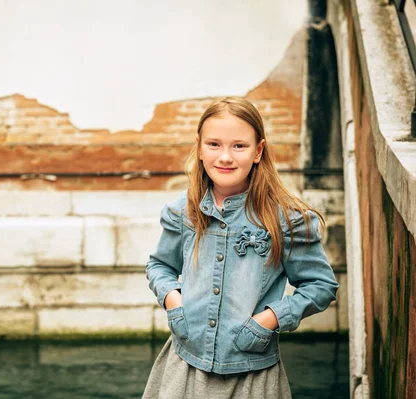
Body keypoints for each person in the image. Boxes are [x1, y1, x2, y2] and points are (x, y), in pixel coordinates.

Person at [143, 97, 339, 398]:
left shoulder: (287, 219)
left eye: (239, 146)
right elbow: (160, 266)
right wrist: (173, 301)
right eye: (213, 144)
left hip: (253, 374)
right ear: (198, 148)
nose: (225, 157)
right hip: (183, 368)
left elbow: (321, 286)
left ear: (258, 151)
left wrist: (269, 319)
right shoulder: (183, 211)